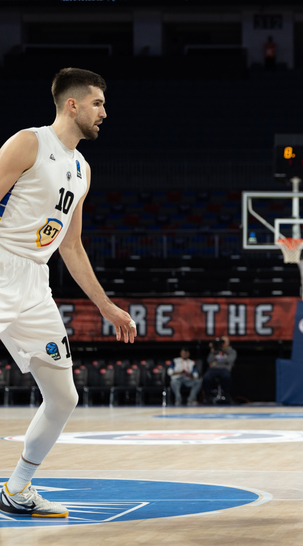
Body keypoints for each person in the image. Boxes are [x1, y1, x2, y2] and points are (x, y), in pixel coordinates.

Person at [0, 68, 137, 518]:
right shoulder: (29, 142)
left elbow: (72, 246)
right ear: (72, 104)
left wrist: (106, 305)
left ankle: (16, 488)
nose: (105, 112)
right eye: (97, 103)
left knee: (64, 396)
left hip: (35, 281)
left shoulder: (82, 168)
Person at [203, 336, 236, 404]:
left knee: (227, 377)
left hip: (225, 369)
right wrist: (212, 350)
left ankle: (227, 395)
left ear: (228, 343)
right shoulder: (215, 350)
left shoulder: (232, 351)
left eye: (224, 341)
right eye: (222, 341)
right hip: (213, 369)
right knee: (206, 377)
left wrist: (216, 361)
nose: (223, 343)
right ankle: (208, 397)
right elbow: (209, 361)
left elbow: (229, 360)